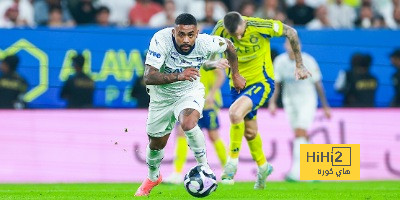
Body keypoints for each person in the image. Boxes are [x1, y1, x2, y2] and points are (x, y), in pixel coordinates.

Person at [134, 13, 245, 197]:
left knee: (188, 123)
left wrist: (235, 75)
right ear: (173, 32)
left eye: (190, 35)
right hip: (161, 98)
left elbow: (230, 46)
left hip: (189, 91)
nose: (186, 39)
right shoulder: (160, 40)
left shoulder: (206, 42)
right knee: (156, 145)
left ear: (197, 33)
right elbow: (148, 76)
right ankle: (153, 177)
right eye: (181, 35)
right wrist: (179, 75)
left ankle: (205, 167)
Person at [211, 11, 311, 189]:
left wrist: (299, 64)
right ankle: (263, 167)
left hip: (261, 82)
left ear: (243, 22)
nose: (238, 37)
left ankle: (231, 164)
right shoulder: (219, 29)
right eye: (234, 36)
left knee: (234, 113)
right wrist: (213, 63)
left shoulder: (261, 25)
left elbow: (292, 33)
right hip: (237, 86)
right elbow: (207, 56)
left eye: (240, 32)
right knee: (250, 132)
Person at [268, 39, 331, 181]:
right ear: (285, 45)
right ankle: (315, 171)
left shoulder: (309, 60)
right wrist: (272, 103)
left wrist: (325, 106)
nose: (291, 46)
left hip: (307, 100)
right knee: (302, 135)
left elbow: (318, 84)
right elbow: (276, 84)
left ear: (300, 45)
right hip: (289, 102)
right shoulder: (279, 61)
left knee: (300, 132)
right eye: (288, 43)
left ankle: (295, 172)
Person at [164, 66, 227, 184]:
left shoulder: (205, 54)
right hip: (189, 103)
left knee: (214, 136)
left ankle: (228, 173)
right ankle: (177, 173)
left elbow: (220, 75)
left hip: (208, 104)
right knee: (181, 133)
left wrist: (212, 94)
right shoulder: (181, 57)